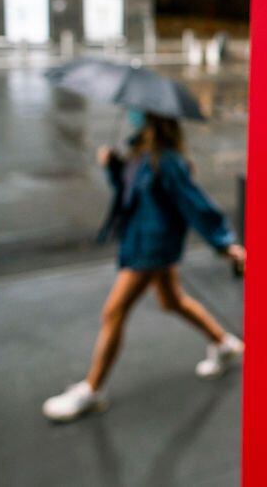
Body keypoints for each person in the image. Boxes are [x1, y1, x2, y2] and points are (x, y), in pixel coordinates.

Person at [42, 112, 246, 422]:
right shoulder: (139, 152)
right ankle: (224, 343)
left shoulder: (168, 162)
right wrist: (113, 166)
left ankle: (92, 390)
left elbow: (195, 204)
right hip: (139, 242)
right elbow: (129, 196)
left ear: (154, 120)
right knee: (171, 301)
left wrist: (224, 243)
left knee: (113, 312)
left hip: (153, 248)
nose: (133, 117)